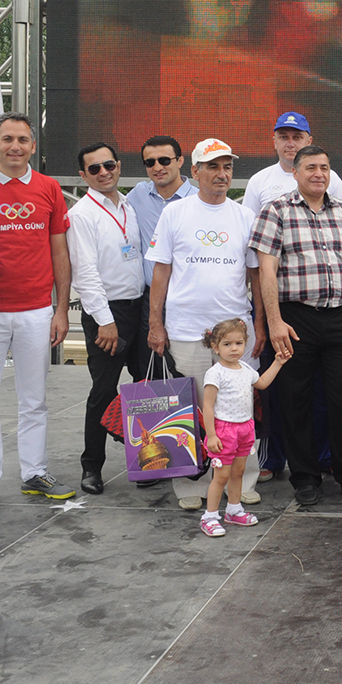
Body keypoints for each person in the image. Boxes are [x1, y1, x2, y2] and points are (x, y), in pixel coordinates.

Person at [0, 113, 75, 512]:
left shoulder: (49, 188)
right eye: (7, 139)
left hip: (37, 311)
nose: (15, 146)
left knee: (34, 399)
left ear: (32, 146)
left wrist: (61, 309)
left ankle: (34, 473)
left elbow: (60, 251)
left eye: (23, 140)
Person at [251, 144, 342, 506]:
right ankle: (305, 478)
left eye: (324, 167)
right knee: (295, 400)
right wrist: (274, 322)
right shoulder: (276, 210)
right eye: (310, 167)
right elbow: (266, 271)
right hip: (295, 319)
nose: (319, 174)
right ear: (295, 172)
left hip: (340, 316)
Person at [147, 137, 265, 510]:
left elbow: (256, 275)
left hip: (236, 334)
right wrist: (155, 323)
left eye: (227, 167)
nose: (221, 174)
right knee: (192, 412)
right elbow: (161, 271)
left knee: (241, 407)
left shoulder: (245, 216)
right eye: (213, 166)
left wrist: (261, 324)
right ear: (195, 171)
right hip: (186, 330)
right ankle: (190, 484)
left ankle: (242, 481)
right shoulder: (175, 213)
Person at [68, 142, 147, 495]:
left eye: (109, 165)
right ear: (83, 175)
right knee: (103, 391)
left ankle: (149, 460)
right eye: (94, 168)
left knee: (145, 388)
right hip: (107, 314)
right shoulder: (82, 214)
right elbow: (85, 273)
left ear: (118, 166)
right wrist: (105, 320)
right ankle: (91, 467)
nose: (104, 172)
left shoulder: (129, 204)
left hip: (139, 308)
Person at [197, 319, 286, 537]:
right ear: (215, 347)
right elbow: (207, 406)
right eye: (227, 344)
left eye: (238, 343)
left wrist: (278, 363)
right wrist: (211, 435)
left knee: (238, 472)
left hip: (245, 428)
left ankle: (234, 509)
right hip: (224, 430)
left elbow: (262, 383)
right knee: (221, 475)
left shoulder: (245, 368)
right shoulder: (215, 373)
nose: (234, 348)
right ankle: (209, 516)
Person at [126, 134, 196, 379]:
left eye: (165, 160)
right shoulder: (137, 196)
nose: (157, 167)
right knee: (150, 370)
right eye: (150, 162)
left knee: (187, 369)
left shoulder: (199, 199)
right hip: (151, 300)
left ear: (180, 161)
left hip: (188, 298)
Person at [241, 111, 342, 214]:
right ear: (275, 142)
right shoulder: (258, 181)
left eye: (297, 138)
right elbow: (249, 223)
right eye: (284, 137)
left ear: (309, 142)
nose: (290, 144)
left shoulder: (328, 178)